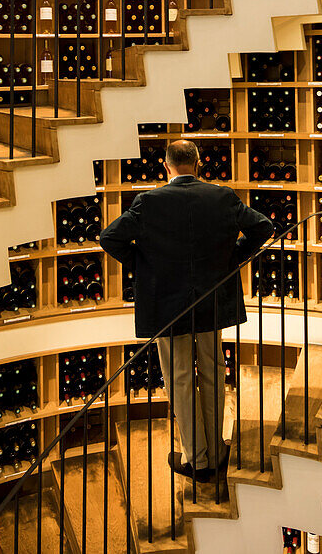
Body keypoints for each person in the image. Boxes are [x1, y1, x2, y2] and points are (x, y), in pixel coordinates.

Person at [100, 138, 273, 481]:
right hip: (212, 300)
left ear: (166, 166)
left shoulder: (149, 202)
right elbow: (263, 227)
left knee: (180, 379)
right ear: (198, 163)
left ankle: (198, 459)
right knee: (213, 373)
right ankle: (217, 449)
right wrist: (232, 260)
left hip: (169, 306)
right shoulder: (220, 195)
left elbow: (110, 238)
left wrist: (145, 265)